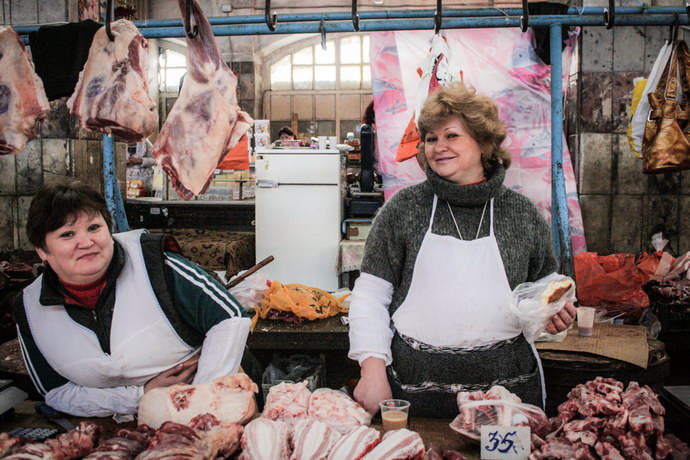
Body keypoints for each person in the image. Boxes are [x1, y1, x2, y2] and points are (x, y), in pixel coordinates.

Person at [347, 83, 576, 417]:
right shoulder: (404, 209)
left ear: (484, 142)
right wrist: (372, 371)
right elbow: (370, 295)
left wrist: (554, 315)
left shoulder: (521, 212)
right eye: (431, 138)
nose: (438, 147)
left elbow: (544, 290)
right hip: (414, 391)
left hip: (507, 394)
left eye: (451, 136)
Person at [14, 182, 251, 417]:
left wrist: (199, 399)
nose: (86, 243)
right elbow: (55, 392)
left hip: (204, 409)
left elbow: (231, 318)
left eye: (94, 228)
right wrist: (142, 395)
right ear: (42, 250)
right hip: (104, 429)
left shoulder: (156, 267)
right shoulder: (29, 307)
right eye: (67, 234)